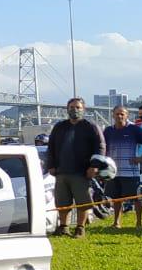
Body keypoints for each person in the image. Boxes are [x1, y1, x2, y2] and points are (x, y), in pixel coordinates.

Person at [43, 97, 105, 238]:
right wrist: (51, 165)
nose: (74, 110)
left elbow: (100, 147)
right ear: (67, 109)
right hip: (61, 171)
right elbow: (50, 147)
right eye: (71, 107)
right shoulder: (59, 127)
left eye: (78, 107)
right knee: (62, 202)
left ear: (84, 109)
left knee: (82, 202)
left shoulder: (91, 127)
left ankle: (80, 228)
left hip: (82, 172)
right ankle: (63, 227)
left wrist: (94, 166)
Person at [102, 106, 142, 229]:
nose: (119, 116)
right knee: (116, 199)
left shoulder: (134, 129)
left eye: (122, 114)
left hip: (130, 172)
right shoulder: (108, 131)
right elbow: (103, 147)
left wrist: (141, 158)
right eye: (117, 114)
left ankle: (139, 223)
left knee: (136, 198)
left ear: (127, 115)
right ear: (113, 115)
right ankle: (116, 223)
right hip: (113, 172)